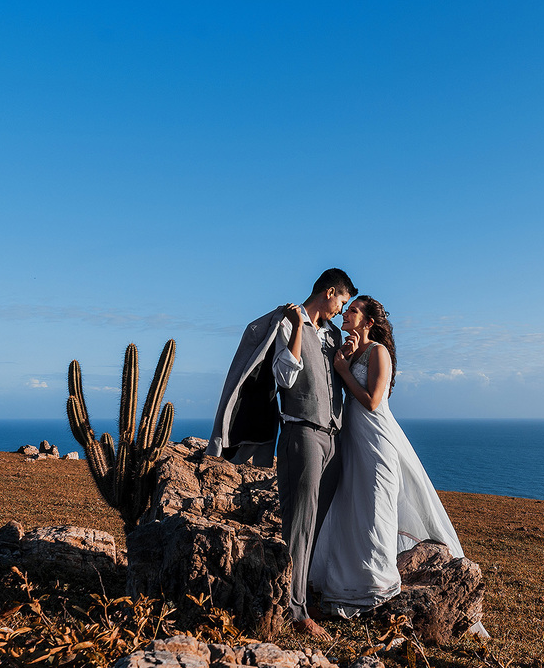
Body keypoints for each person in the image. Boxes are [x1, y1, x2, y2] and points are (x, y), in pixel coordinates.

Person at [310, 296, 487, 636]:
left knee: (377, 510)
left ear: (367, 322)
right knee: (351, 510)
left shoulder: (378, 352)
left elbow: (374, 401)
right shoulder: (351, 351)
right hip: (353, 441)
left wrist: (344, 370)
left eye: (352, 311)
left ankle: (376, 589)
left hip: (377, 441)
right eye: (346, 309)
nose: (345, 314)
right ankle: (349, 587)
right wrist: (344, 361)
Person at [207, 269, 357, 640]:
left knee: (317, 523)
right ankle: (294, 610)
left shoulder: (333, 334)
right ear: (329, 292)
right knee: (299, 522)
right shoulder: (288, 324)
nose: (342, 309)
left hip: (332, 435)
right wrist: (294, 330)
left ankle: (303, 596)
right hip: (301, 431)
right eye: (341, 300)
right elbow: (285, 378)